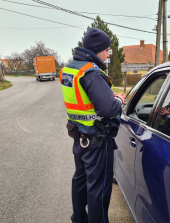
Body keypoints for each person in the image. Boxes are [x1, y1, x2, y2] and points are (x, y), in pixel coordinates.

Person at [59, 28, 126, 223]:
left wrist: (107, 97)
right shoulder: (92, 72)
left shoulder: (70, 69)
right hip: (97, 141)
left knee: (80, 181)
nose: (107, 54)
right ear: (97, 50)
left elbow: (84, 100)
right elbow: (108, 110)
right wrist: (118, 101)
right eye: (107, 50)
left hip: (79, 138)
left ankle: (79, 219)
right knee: (99, 189)